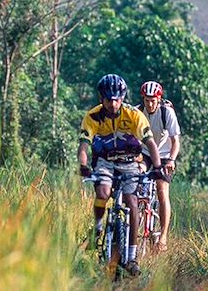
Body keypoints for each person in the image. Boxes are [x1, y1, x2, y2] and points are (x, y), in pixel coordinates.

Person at [77, 74, 167, 276]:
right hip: (105, 162)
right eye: (109, 99)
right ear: (102, 98)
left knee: (132, 202)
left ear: (123, 97)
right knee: (103, 192)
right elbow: (84, 144)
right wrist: (83, 165)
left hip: (129, 162)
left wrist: (158, 167)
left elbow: (150, 142)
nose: (113, 103)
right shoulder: (93, 117)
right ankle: (98, 228)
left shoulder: (134, 115)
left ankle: (132, 257)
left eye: (117, 99)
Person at [138, 80, 180, 253]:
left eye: (153, 100)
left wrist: (171, 159)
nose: (150, 104)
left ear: (159, 98)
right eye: (147, 100)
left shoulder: (166, 112)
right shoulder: (138, 112)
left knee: (162, 191)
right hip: (145, 153)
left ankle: (162, 237)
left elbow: (175, 141)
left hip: (163, 155)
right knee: (136, 177)